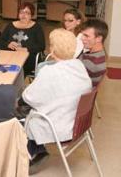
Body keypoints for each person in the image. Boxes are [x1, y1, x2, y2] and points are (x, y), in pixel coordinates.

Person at [22, 28, 92, 172]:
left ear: (53, 49)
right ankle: (37, 150)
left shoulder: (50, 72)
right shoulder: (79, 66)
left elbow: (29, 97)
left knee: (21, 113)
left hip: (57, 124)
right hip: (77, 122)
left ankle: (31, 152)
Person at [0, 2, 45, 76]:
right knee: (0, 66)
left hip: (28, 57)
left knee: (14, 72)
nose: (23, 15)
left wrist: (26, 49)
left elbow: (41, 46)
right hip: (10, 55)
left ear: (31, 15)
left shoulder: (36, 27)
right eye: (21, 12)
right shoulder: (10, 25)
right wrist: (8, 44)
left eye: (27, 13)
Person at [78, 19, 108, 87]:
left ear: (98, 38)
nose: (82, 38)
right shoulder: (98, 54)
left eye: (86, 35)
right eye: (82, 34)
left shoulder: (91, 63)